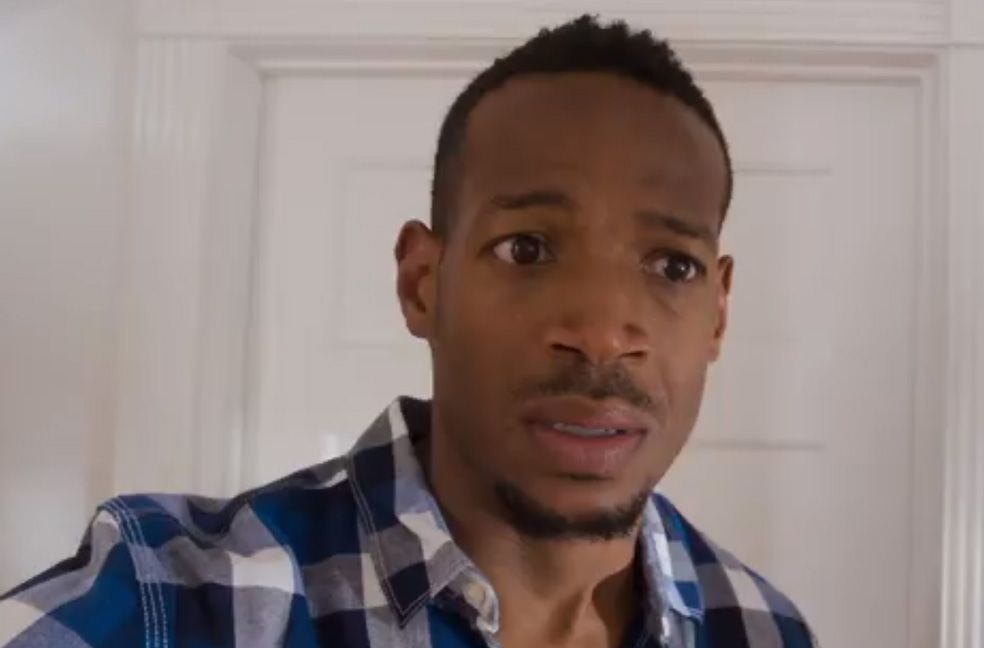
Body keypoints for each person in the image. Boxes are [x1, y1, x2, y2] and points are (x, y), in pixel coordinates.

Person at [0, 15, 816, 648]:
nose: (603, 335)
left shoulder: (763, 629)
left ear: (718, 312)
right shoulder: (179, 598)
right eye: (527, 249)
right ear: (422, 282)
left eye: (671, 265)